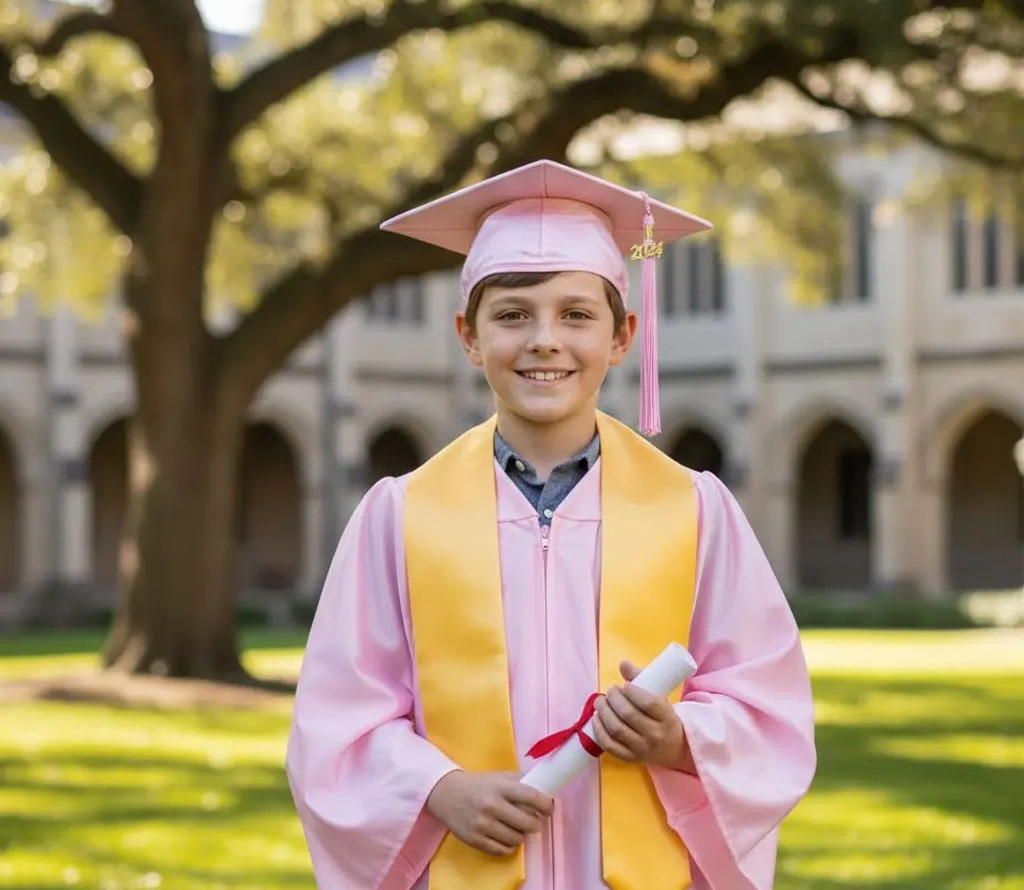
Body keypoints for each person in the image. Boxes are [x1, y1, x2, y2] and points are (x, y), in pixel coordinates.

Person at [286, 159, 816, 890]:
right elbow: (338, 718)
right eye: (512, 315)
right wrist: (439, 787)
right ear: (469, 337)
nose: (544, 340)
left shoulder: (694, 510)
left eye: (576, 315)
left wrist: (679, 737)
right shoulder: (401, 515)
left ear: (623, 336)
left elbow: (769, 706)